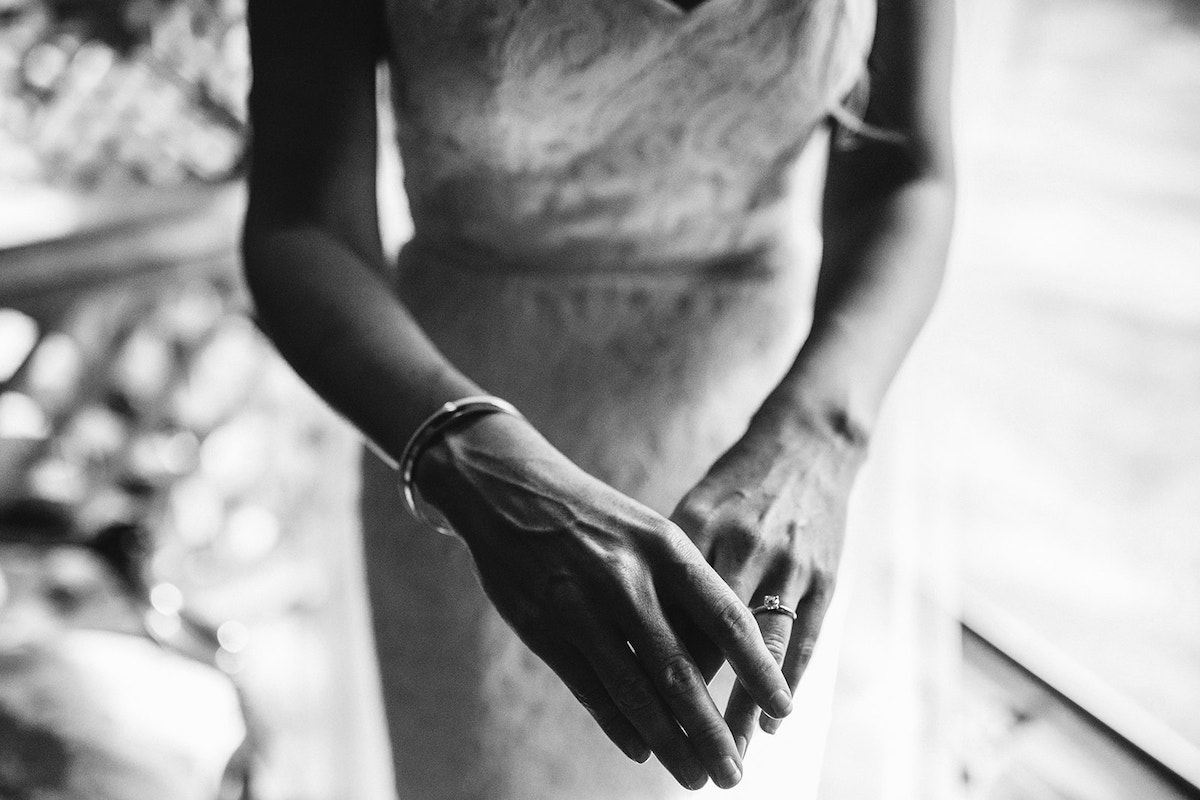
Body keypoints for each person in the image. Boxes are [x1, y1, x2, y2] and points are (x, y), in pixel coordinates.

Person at [241, 0, 955, 796]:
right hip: (467, 453)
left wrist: (820, 437)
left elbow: (902, 172)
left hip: (769, 451)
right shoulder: (472, 469)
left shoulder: (797, 458)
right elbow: (303, 220)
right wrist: (468, 457)